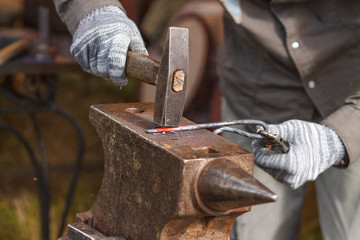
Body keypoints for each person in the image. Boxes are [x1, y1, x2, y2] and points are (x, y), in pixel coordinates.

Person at [53, 0, 360, 239]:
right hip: (258, 81)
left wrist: (340, 137)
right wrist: (94, 11)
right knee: (250, 229)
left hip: (352, 80)